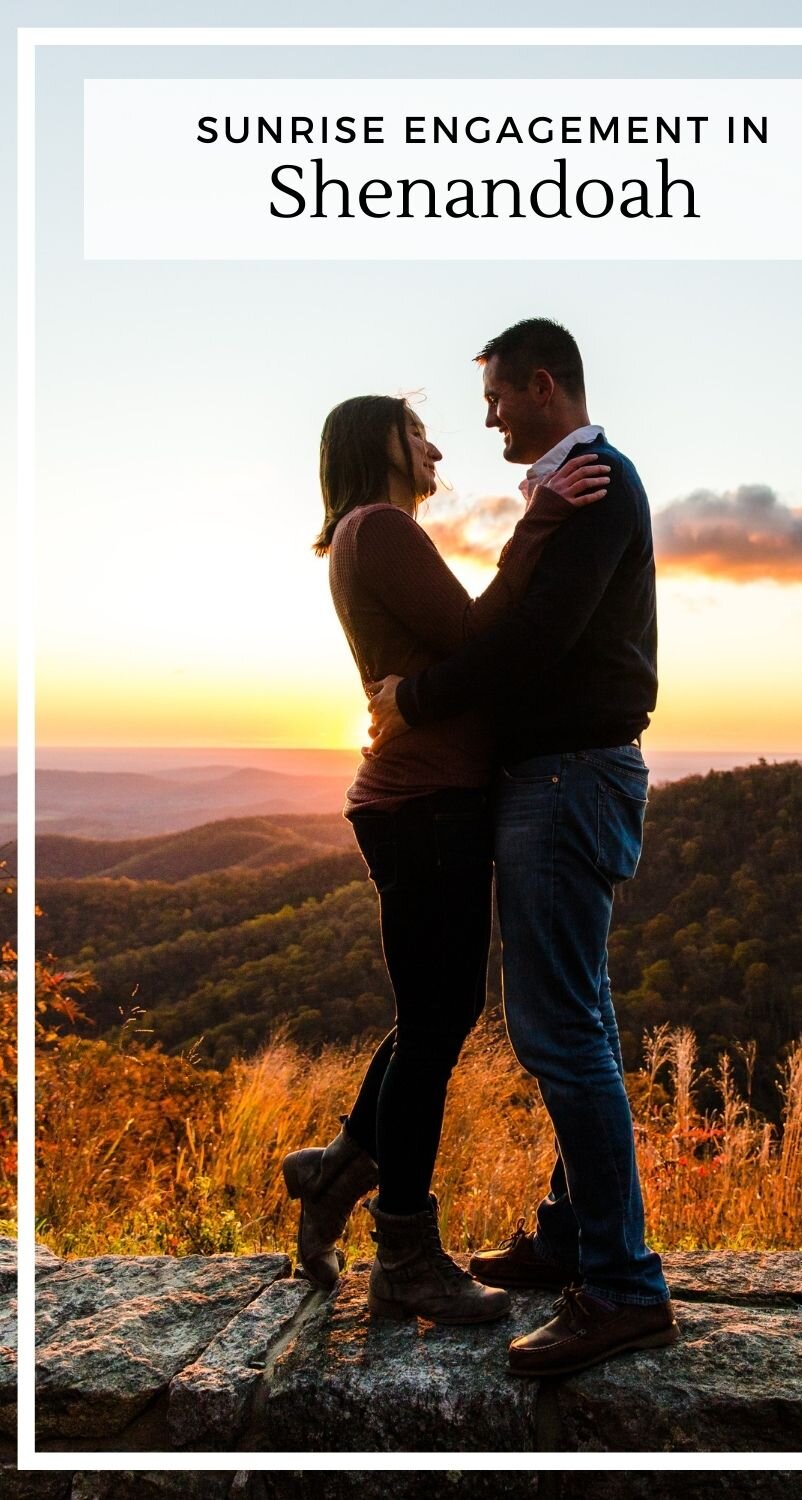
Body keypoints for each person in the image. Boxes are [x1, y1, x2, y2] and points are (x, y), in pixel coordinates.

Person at [367, 319, 680, 1374]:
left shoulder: (594, 481)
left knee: (558, 1033)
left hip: (567, 777)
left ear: (543, 385)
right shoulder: (566, 493)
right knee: (574, 1016)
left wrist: (413, 700)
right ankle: (569, 1239)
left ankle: (622, 1287)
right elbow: (518, 623)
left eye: (498, 395)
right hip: (557, 780)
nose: (488, 414)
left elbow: (526, 641)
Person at [282, 392, 609, 1325]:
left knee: (438, 1011)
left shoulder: (364, 532)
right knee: (434, 1025)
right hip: (423, 804)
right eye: (416, 431)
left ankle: (341, 1168)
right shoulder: (380, 526)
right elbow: (476, 641)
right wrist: (544, 517)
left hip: (422, 798)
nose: (435, 446)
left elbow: (456, 646)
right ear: (375, 443)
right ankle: (405, 1256)